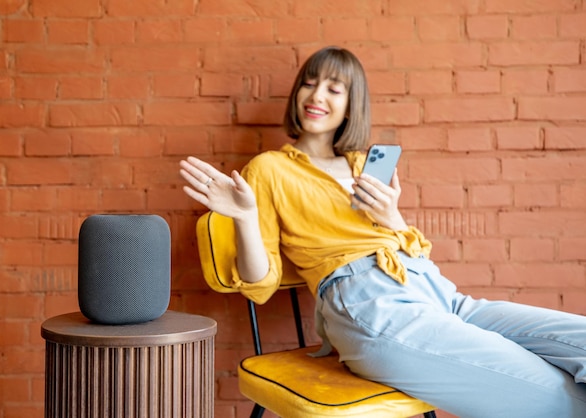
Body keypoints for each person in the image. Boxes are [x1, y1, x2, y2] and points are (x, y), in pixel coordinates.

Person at [179, 46, 586, 417]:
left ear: (351, 105)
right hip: (370, 306)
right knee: (556, 395)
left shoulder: (363, 165)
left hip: (441, 294)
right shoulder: (269, 169)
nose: (317, 95)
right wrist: (246, 218)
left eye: (334, 89)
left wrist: (392, 217)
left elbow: (410, 248)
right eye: (309, 83)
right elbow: (258, 284)